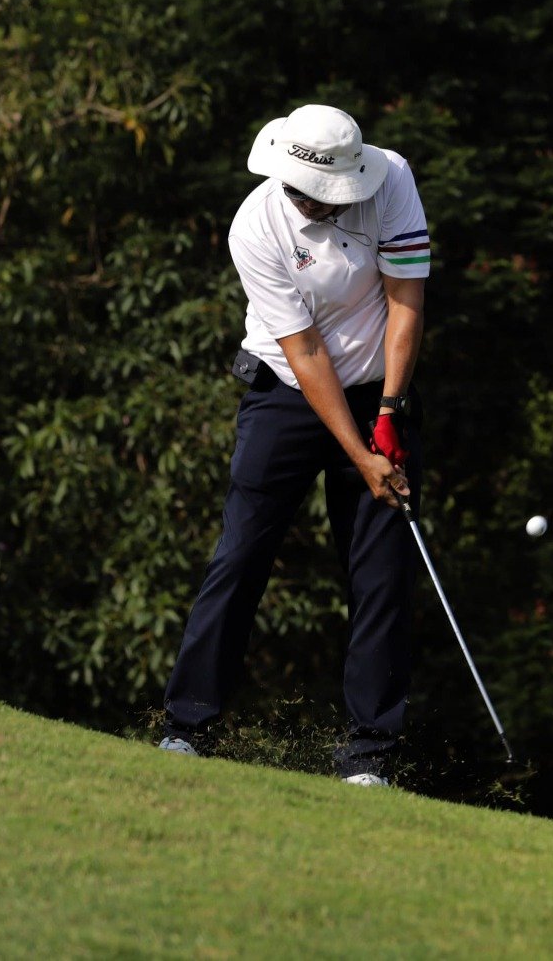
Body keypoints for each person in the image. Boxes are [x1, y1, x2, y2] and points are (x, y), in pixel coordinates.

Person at [157, 104, 431, 787]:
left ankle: (370, 754)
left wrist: (391, 411)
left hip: (377, 389)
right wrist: (359, 453)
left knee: (380, 572)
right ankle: (187, 727)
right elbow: (304, 351)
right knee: (241, 553)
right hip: (286, 392)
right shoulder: (256, 224)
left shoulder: (391, 178)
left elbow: (405, 300)